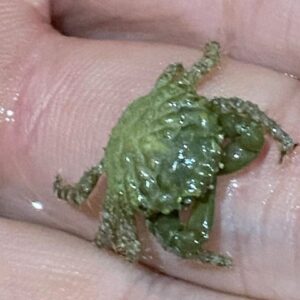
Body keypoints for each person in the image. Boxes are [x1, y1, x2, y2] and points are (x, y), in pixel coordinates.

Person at [0, 1, 299, 299]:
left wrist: (280, 136)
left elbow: (237, 105)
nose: (208, 180)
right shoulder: (120, 189)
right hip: (147, 151)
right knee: (168, 240)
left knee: (239, 122)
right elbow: (115, 235)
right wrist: (202, 255)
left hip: (169, 116)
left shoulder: (183, 101)